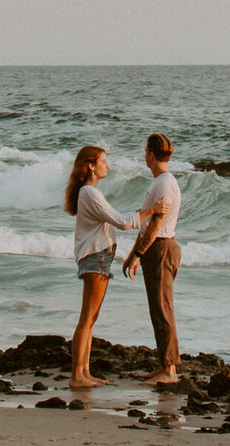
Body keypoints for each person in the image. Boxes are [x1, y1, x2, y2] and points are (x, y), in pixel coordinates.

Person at [64, 145, 161, 391]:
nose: (107, 165)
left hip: (99, 257)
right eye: (103, 161)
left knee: (91, 318)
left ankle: (84, 372)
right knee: (87, 318)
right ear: (90, 166)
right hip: (95, 257)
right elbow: (122, 221)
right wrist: (152, 210)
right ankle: (77, 375)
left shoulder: (90, 193)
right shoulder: (89, 193)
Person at [123, 132, 182, 384]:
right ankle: (165, 365)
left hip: (161, 248)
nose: (143, 155)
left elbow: (156, 224)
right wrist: (131, 255)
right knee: (158, 309)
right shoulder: (159, 181)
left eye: (145, 150)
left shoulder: (164, 184)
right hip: (154, 247)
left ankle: (170, 370)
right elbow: (146, 223)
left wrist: (138, 254)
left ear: (150, 153)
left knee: (162, 308)